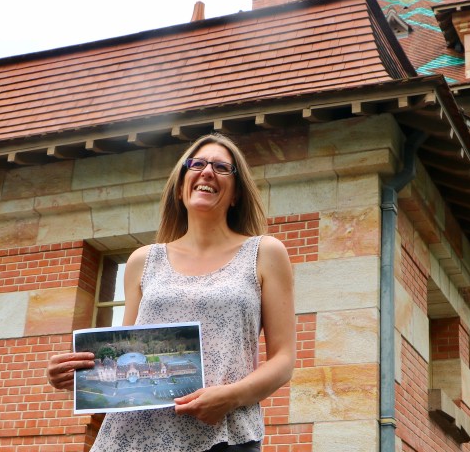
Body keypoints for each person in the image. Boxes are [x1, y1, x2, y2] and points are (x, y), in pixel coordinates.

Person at [47, 133, 296, 452]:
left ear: (236, 193)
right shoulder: (143, 260)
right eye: (197, 164)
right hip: (133, 440)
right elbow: (128, 357)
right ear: (181, 187)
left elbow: (284, 359)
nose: (207, 171)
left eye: (222, 167)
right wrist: (76, 376)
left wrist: (230, 396)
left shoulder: (265, 253)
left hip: (223, 435)